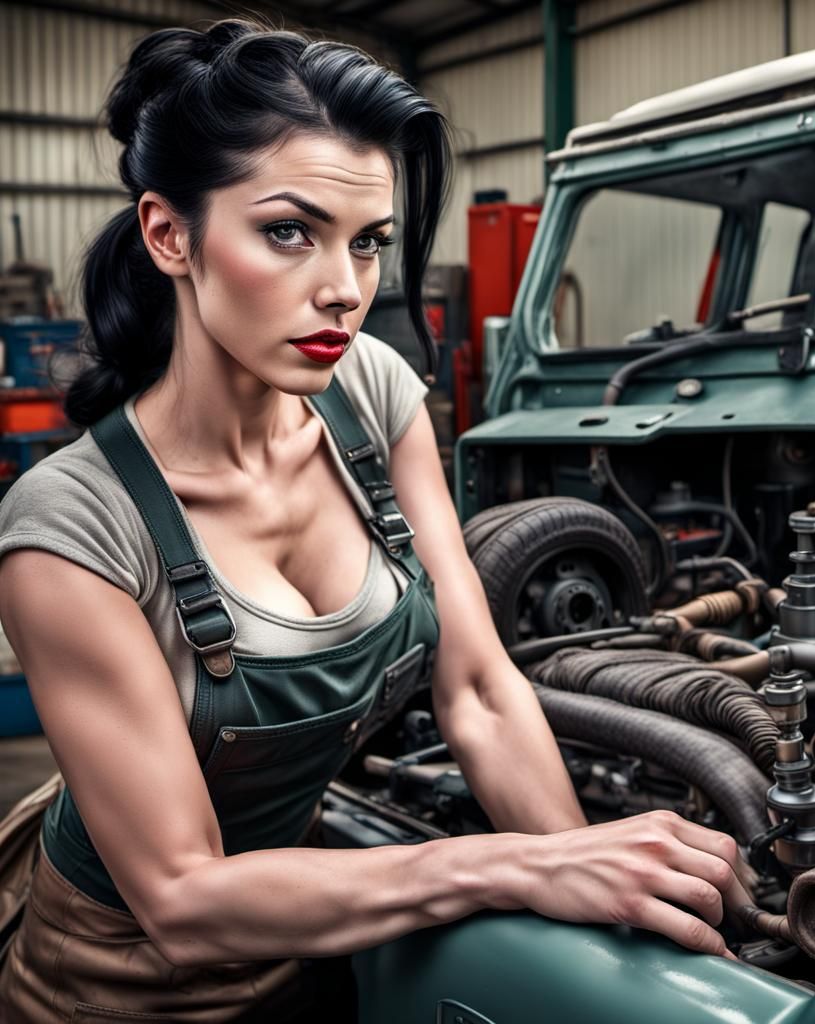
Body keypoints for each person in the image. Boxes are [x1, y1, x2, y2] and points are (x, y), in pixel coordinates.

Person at [0, 19, 748, 1022]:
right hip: (120, 985)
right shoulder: (73, 530)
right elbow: (182, 899)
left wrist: (588, 869)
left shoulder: (373, 395)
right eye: (288, 232)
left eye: (370, 243)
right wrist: (503, 867)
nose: (345, 291)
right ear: (169, 234)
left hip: (315, 928)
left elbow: (478, 689)